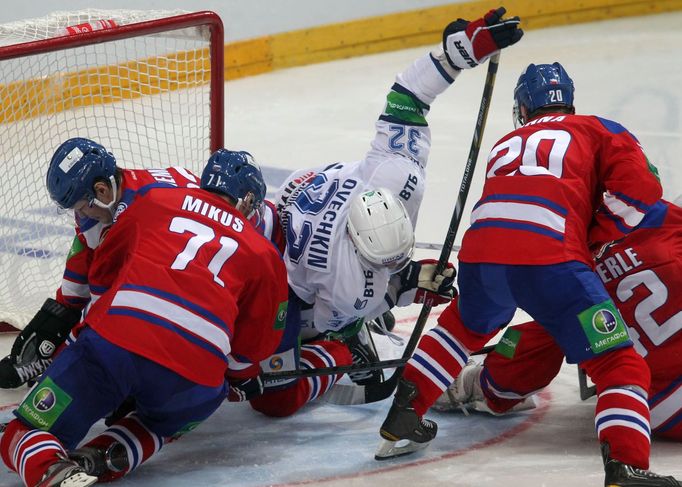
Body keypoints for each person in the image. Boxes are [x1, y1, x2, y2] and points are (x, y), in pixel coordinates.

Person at [375, 58, 682, 486]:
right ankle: (626, 467)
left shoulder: (506, 143)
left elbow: (506, 211)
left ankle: (402, 414)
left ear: (522, 108)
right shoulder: (599, 132)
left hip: (484, 248)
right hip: (553, 253)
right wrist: (596, 230)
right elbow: (643, 189)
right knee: (618, 363)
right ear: (570, 104)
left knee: (460, 328)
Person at [0, 142, 289, 486]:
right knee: (164, 419)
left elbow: (104, 279)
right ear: (249, 201)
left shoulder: (154, 201)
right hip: (195, 377)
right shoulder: (264, 252)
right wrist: (240, 378)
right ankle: (104, 456)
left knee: (22, 431)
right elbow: (253, 344)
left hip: (116, 344)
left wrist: (79, 348)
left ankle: (50, 467)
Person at [269, 7, 522, 378]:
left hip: (303, 193)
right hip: (281, 269)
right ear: (358, 247)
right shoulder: (350, 287)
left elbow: (408, 96)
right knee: (288, 369)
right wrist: (400, 290)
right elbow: (330, 322)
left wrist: (457, 53)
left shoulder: (397, 174)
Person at [434, 197, 682, 443]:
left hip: (659, 408)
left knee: (569, 331)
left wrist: (479, 384)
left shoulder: (573, 280)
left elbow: (521, 361)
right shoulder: (661, 219)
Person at [0, 138, 201, 389]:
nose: (81, 216)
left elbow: (104, 309)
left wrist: (61, 356)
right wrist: (54, 321)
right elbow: (79, 280)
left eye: (83, 208)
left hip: (193, 294)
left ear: (102, 191)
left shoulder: (137, 219)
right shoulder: (108, 200)